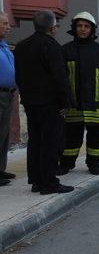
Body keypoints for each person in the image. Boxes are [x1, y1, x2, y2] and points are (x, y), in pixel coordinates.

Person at [14, 11, 73, 194]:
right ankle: (49, 182)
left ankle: (37, 181)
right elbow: (59, 76)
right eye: (56, 25)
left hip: (31, 102)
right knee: (50, 142)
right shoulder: (51, 46)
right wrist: (66, 101)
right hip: (50, 102)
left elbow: (19, 76)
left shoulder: (22, 46)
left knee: (35, 141)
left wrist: (25, 97)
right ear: (51, 27)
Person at [58, 12, 99, 176]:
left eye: (86, 26)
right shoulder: (65, 50)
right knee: (71, 137)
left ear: (92, 29)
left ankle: (94, 162)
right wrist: (63, 101)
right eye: (80, 26)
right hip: (74, 104)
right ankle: (66, 163)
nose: (83, 29)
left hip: (98, 104)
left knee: (97, 137)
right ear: (74, 28)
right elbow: (60, 78)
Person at [0, 12, 16, 187]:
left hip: (7, 94)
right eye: (4, 23)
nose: (8, 26)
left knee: (3, 134)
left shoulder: (4, 46)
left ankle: (1, 169)